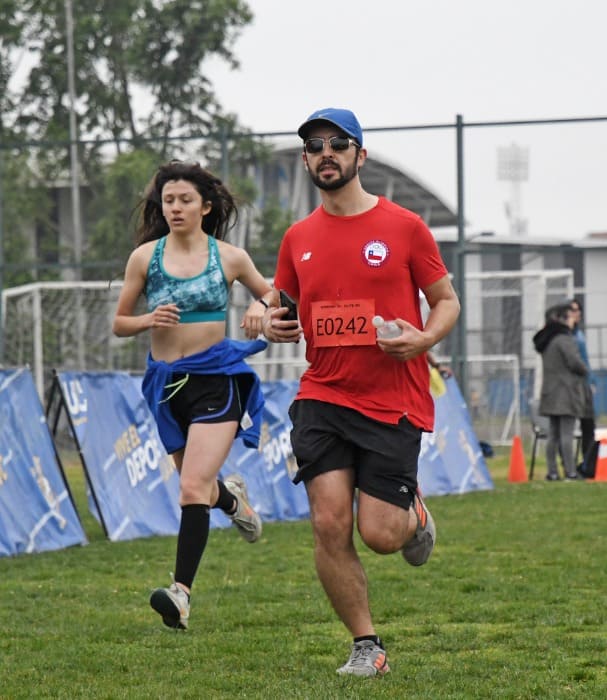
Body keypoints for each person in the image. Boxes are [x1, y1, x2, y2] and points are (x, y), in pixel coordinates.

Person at [260, 108, 461, 677]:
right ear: (305, 160)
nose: (326, 153)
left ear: (359, 156)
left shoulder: (404, 227)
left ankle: (414, 515)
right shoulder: (297, 237)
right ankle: (366, 647)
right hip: (322, 395)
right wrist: (271, 318)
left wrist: (422, 338)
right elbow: (284, 305)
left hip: (392, 399)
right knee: (327, 523)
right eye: (315, 146)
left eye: (338, 144)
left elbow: (447, 301)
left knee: (378, 533)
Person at [112, 160, 273, 631]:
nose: (175, 207)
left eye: (185, 200)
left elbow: (274, 294)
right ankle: (232, 500)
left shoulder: (231, 256)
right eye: (168, 200)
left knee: (188, 488)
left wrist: (261, 308)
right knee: (199, 488)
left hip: (216, 380)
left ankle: (180, 594)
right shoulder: (145, 258)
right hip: (165, 386)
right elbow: (121, 322)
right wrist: (147, 320)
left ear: (205, 206)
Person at [533, 303, 588, 481]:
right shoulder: (564, 339)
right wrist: (585, 369)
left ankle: (552, 471)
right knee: (566, 434)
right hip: (566, 392)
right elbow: (575, 363)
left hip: (550, 391)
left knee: (553, 435)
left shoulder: (547, 340)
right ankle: (570, 472)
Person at [568, 298, 596, 460]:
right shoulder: (565, 336)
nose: (576, 314)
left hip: (584, 384)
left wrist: (591, 380)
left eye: (578, 310)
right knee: (567, 427)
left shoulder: (579, 334)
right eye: (572, 310)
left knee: (588, 425)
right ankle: (568, 465)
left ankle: (588, 462)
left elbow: (585, 360)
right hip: (571, 386)